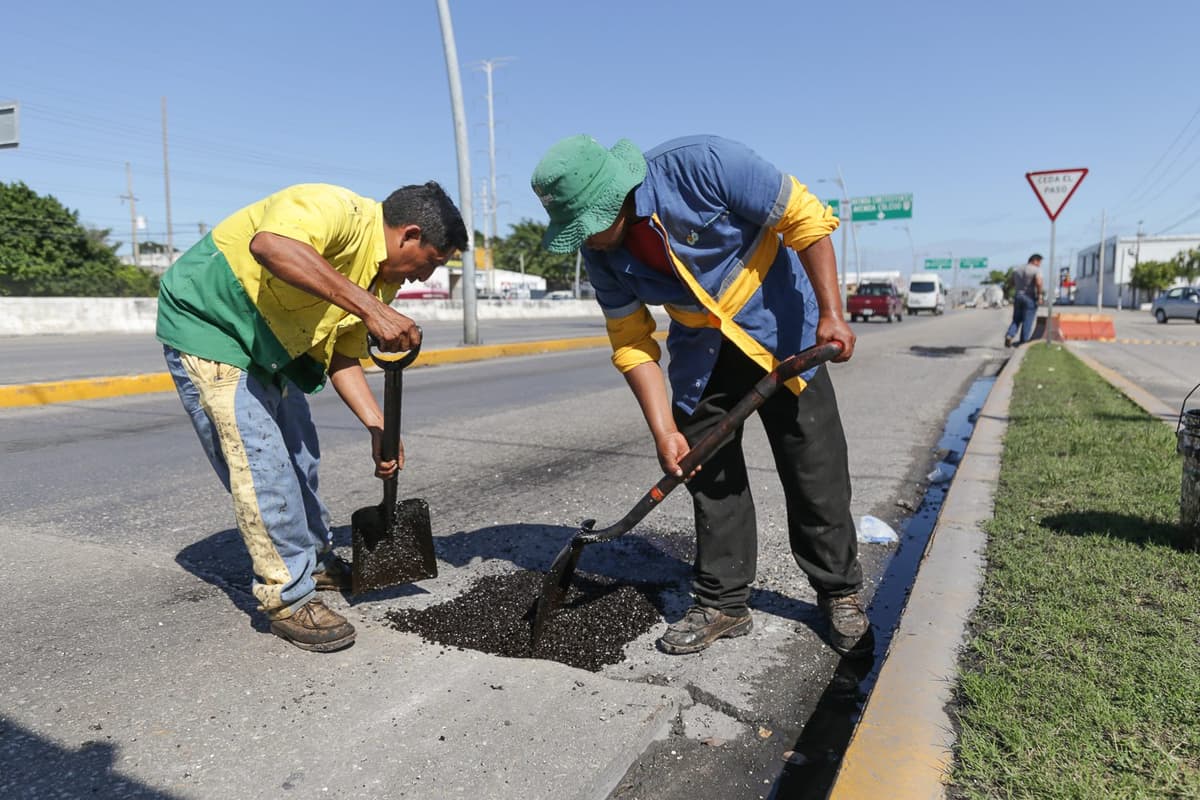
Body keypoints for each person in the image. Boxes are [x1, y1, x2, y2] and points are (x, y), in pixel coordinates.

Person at [530, 135, 870, 657]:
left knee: (814, 470)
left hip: (780, 330)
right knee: (709, 475)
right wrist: (664, 429)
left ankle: (839, 591)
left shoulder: (702, 165)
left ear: (614, 199)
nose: (586, 241)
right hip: (703, 351)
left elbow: (804, 217)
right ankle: (724, 604)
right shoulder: (599, 255)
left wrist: (831, 312)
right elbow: (631, 341)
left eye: (587, 226)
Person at [157, 181, 467, 652]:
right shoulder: (334, 208)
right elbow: (271, 246)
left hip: (272, 347)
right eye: (432, 262)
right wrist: (370, 308)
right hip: (213, 326)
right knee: (264, 467)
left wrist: (377, 426)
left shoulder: (380, 281)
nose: (426, 277)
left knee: (302, 458)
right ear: (409, 235)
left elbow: (343, 358)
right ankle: (286, 595)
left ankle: (316, 560)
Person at [1005, 254, 1044, 347]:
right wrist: (1040, 295)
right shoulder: (1036, 270)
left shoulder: (1017, 269)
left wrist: (1008, 291)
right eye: (1039, 262)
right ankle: (1023, 342)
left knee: (1016, 319)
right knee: (1028, 321)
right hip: (1029, 297)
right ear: (1035, 260)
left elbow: (1011, 282)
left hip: (1018, 296)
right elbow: (1038, 282)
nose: (1040, 265)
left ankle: (1010, 335)